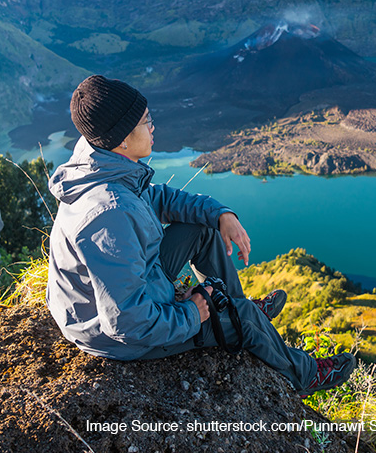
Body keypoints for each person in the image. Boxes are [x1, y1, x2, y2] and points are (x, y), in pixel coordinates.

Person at [45, 75, 355, 395]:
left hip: (121, 291)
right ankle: (302, 374)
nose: (153, 127)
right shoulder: (109, 215)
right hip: (117, 337)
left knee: (202, 231)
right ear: (122, 138)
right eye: (145, 121)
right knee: (244, 319)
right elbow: (127, 323)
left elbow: (160, 199)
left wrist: (220, 213)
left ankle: (233, 306)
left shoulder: (102, 160)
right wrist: (192, 313)